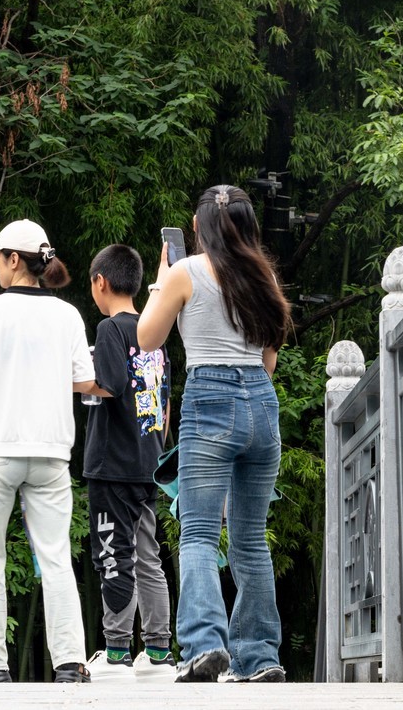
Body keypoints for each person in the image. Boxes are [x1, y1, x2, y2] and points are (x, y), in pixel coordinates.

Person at [137, 186, 291, 684]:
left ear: (198, 228)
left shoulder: (185, 272)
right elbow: (269, 360)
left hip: (211, 396)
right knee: (250, 539)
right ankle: (261, 656)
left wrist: (161, 283)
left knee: (200, 532)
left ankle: (206, 647)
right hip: (261, 405)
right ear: (249, 228)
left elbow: (146, 338)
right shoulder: (263, 275)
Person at [0, 218, 95, 684]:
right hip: (53, 450)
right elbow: (82, 382)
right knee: (55, 556)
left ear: (15, 260)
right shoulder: (68, 314)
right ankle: (71, 662)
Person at [80, 245, 175, 683]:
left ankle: (116, 651)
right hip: (149, 461)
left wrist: (74, 376)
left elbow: (112, 384)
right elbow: (164, 403)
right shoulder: (156, 334)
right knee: (147, 554)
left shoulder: (109, 329)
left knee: (111, 551)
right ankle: (157, 650)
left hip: (112, 463)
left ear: (101, 281)